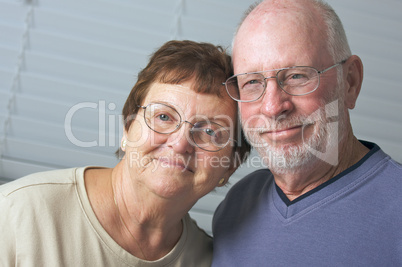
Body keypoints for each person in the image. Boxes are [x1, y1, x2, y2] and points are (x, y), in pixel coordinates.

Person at [0, 40, 250, 266]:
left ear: (230, 166)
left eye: (209, 131)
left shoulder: (210, 261)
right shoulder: (17, 214)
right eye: (163, 116)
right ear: (127, 128)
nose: (180, 143)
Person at [212, 0, 402, 266]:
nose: (273, 107)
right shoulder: (237, 205)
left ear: (349, 83)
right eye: (252, 82)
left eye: (297, 76)